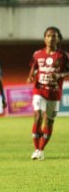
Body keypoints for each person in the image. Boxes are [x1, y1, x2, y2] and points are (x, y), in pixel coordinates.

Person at [27, 27, 69, 160]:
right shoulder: (37, 54)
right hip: (39, 90)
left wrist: (60, 75)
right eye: (49, 36)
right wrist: (30, 77)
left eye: (54, 36)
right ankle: (36, 149)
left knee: (49, 122)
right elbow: (34, 68)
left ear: (58, 39)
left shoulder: (63, 56)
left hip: (54, 93)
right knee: (38, 116)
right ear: (44, 38)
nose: (51, 38)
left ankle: (41, 149)